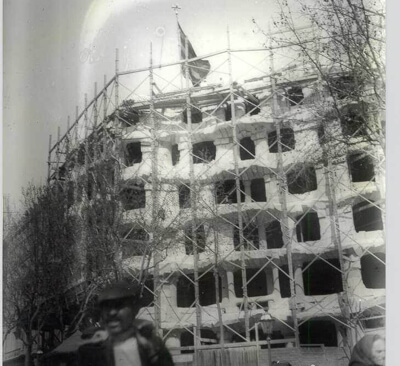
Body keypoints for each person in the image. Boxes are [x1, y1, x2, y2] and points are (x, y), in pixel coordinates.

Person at [77, 281, 174, 366]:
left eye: (119, 306)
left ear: (134, 309)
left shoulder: (152, 346)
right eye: (106, 307)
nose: (112, 313)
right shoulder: (91, 352)